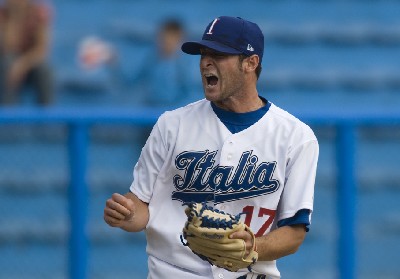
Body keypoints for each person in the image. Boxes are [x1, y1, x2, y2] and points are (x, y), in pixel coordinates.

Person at [103, 16, 319, 279]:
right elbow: (141, 206)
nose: (206, 61)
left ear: (250, 63)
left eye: (219, 54)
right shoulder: (171, 125)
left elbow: (294, 233)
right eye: (204, 53)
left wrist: (252, 246)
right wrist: (127, 214)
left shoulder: (296, 137)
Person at [0, 0, 54, 106]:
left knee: (45, 71)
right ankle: (9, 117)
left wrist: (21, 65)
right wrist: (15, 17)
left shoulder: (37, 13)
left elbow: (41, 50)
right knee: (7, 64)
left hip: (29, 65)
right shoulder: (3, 14)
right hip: (7, 64)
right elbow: (8, 47)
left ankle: (46, 118)